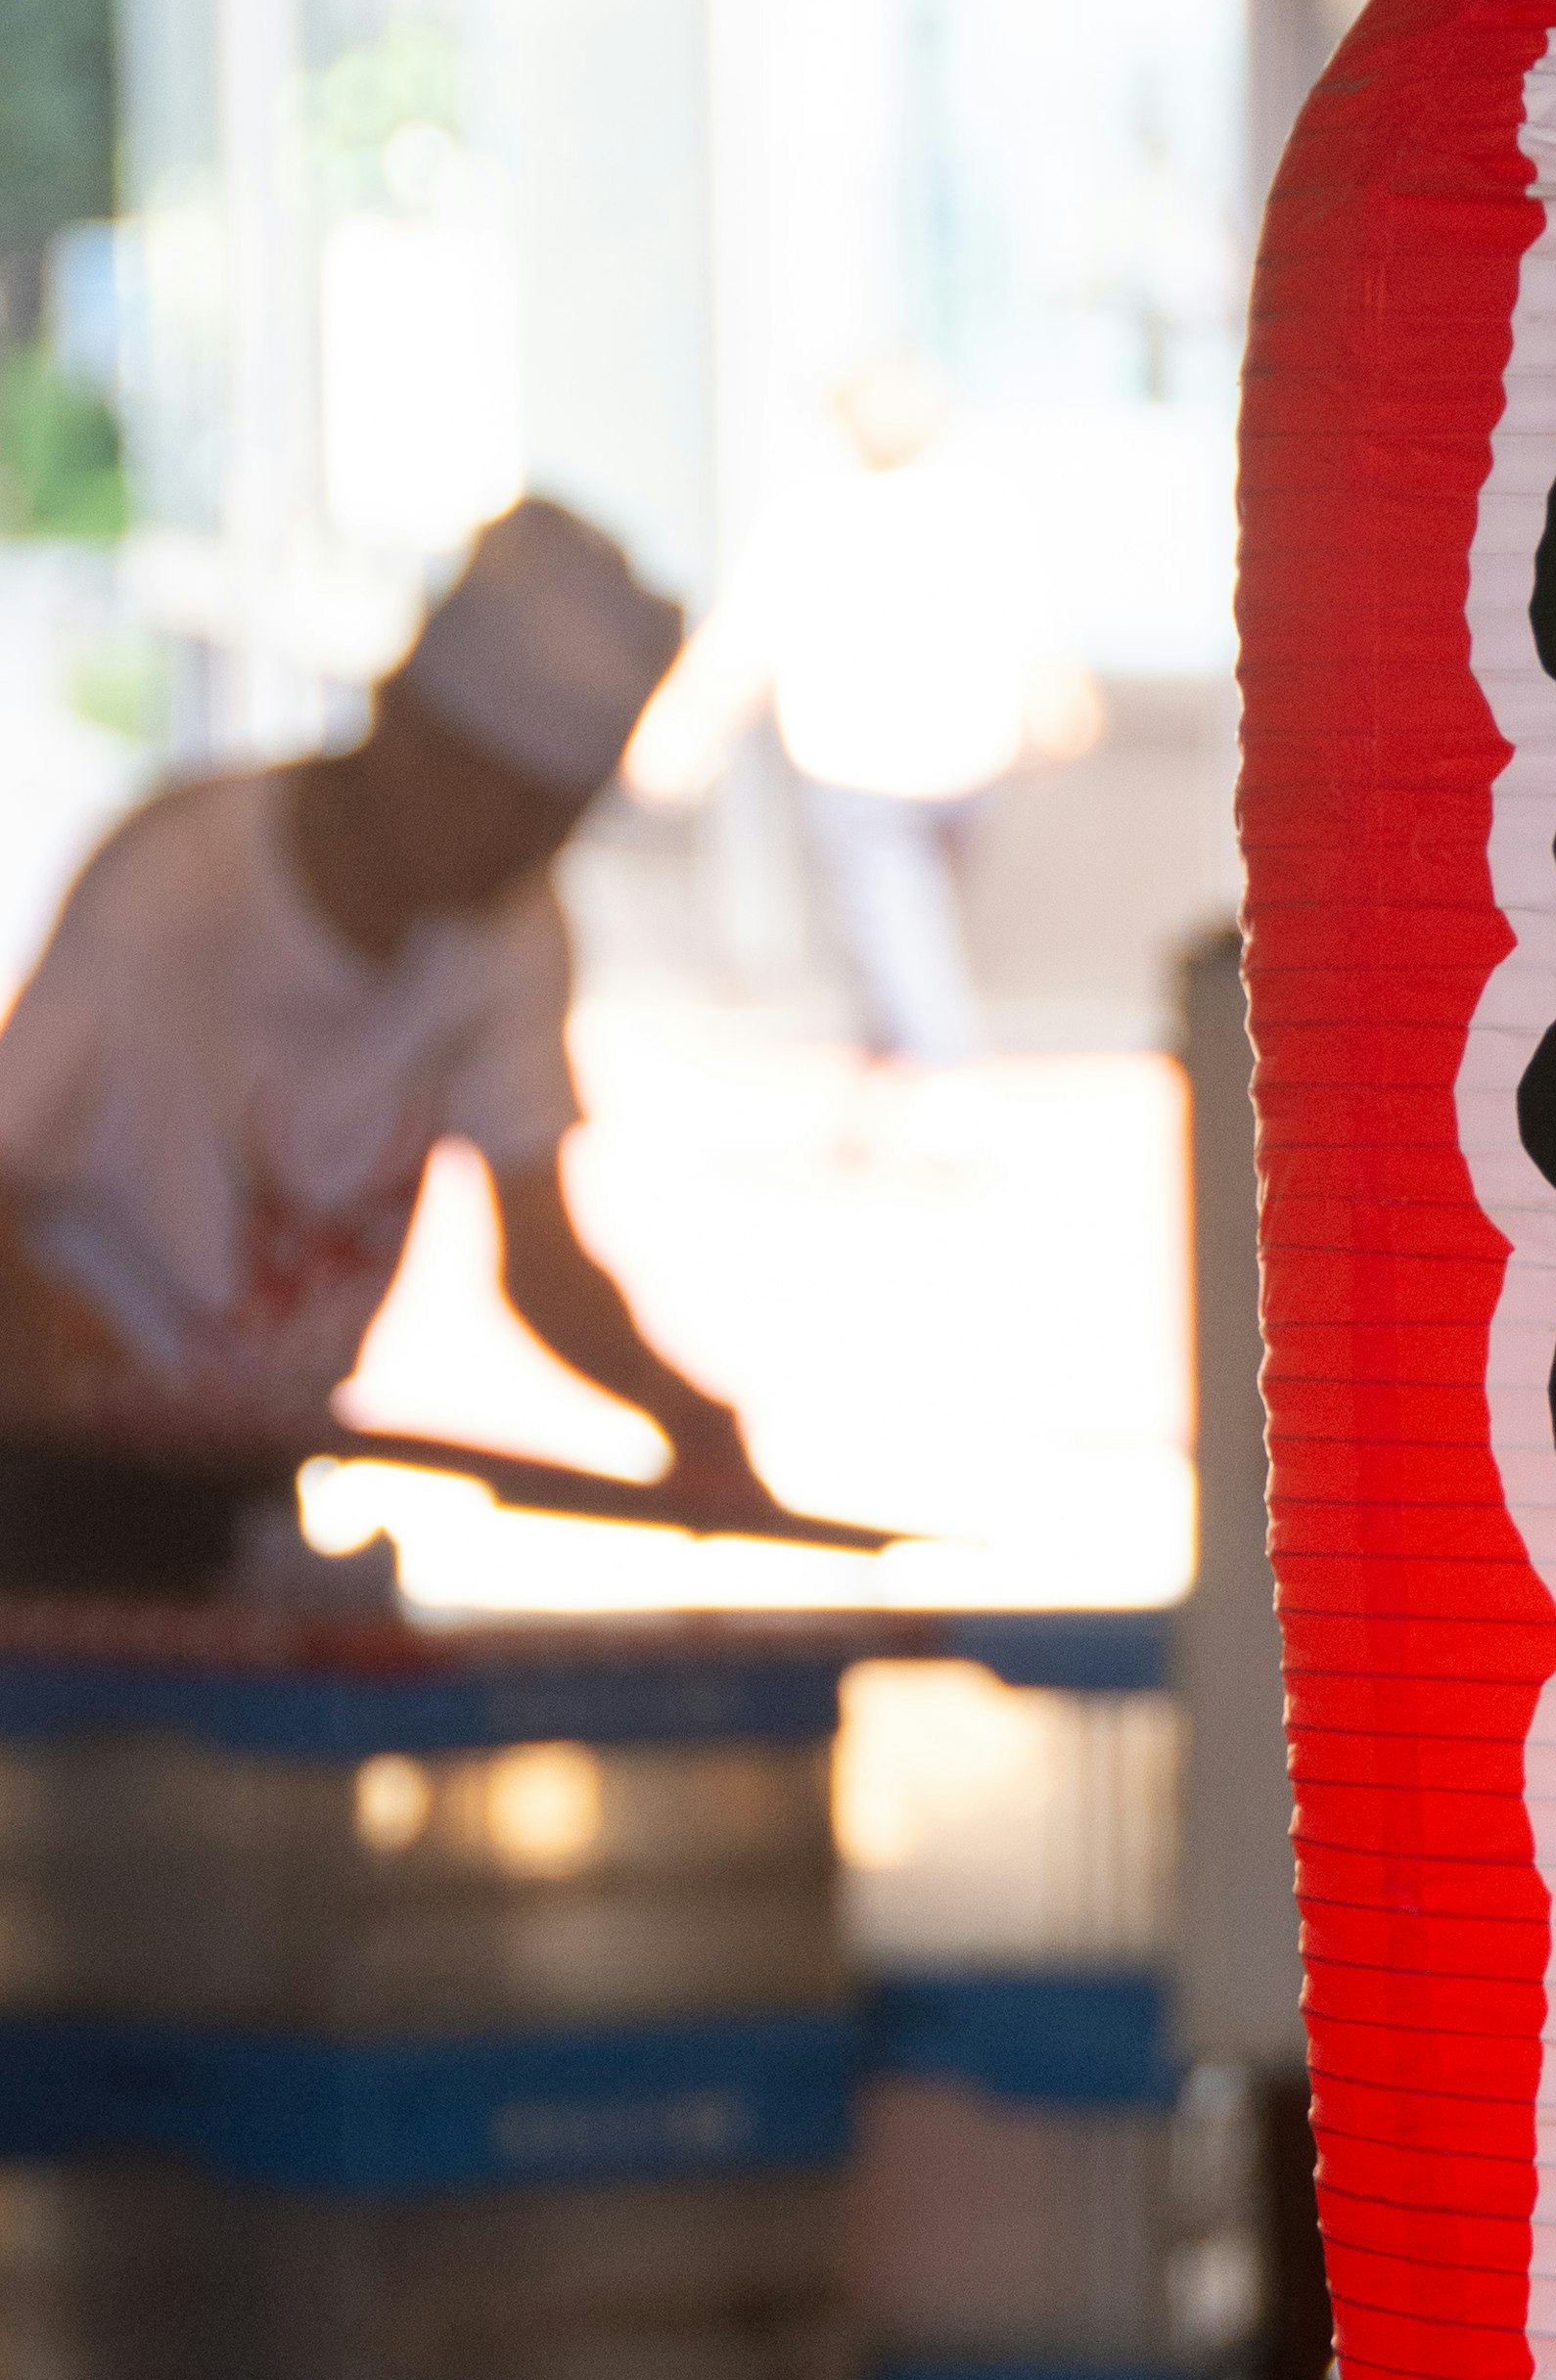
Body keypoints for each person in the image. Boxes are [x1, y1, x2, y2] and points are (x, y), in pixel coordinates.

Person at [0, 494, 787, 1597]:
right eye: (501, 805)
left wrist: (683, 1414)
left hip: (248, 1468)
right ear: (401, 721)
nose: (516, 854)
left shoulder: (511, 934)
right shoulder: (174, 890)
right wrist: (45, 1340)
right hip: (45, 1478)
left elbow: (538, 1256)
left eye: (550, 825)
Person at [629, 355, 1101, 1068]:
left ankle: (944, 1074)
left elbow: (738, 650)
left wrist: (680, 732)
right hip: (947, 766)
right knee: (902, 930)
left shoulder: (823, 518)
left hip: (874, 769)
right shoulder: (973, 512)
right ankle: (885, 1091)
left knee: (900, 934)